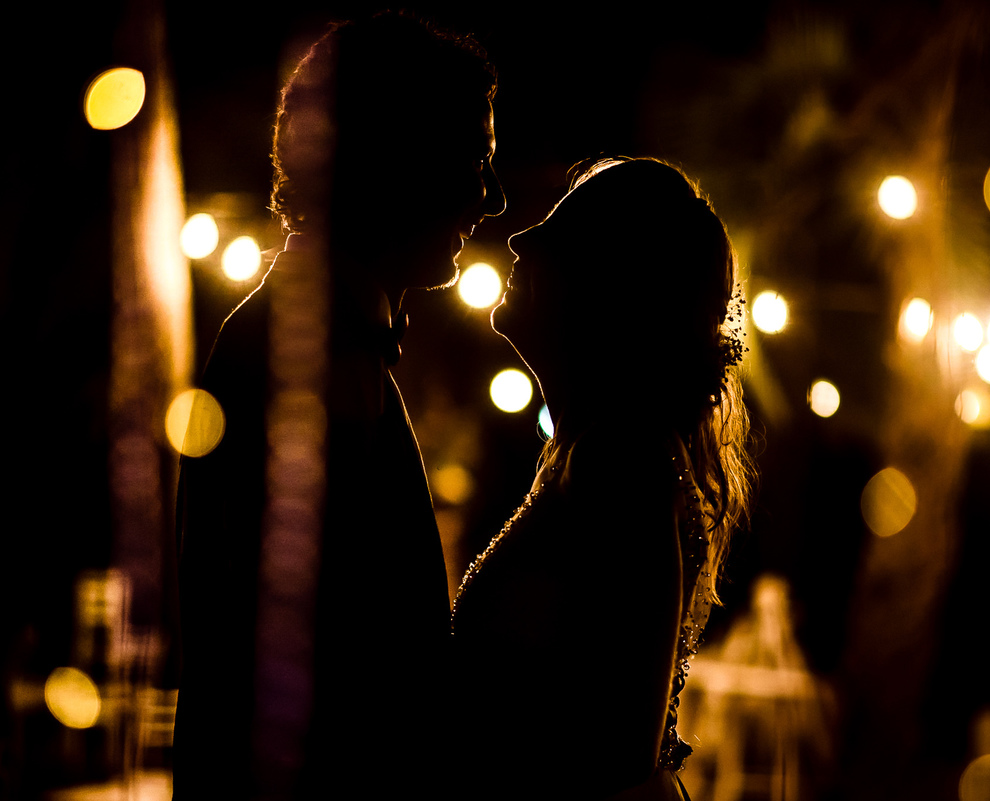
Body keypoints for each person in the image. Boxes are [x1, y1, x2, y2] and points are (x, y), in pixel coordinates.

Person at [173, 12, 503, 799]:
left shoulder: (321, 341)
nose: (492, 198)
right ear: (394, 156)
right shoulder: (298, 360)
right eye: (475, 160)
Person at [451, 157, 754, 799]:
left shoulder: (623, 459)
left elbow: (616, 751)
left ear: (612, 283)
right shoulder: (589, 449)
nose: (518, 238)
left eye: (560, 232)